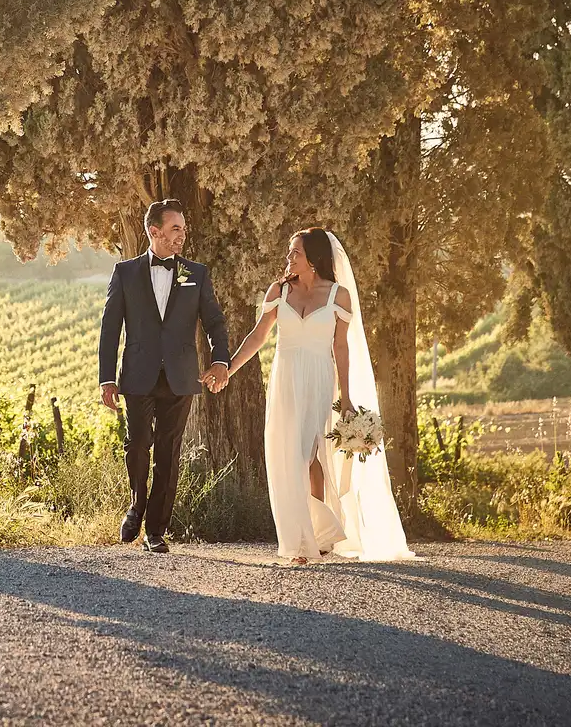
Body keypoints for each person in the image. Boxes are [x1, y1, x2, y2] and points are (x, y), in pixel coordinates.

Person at [221, 228, 413, 563]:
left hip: (320, 380)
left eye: (295, 252)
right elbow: (257, 336)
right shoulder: (279, 291)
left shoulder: (338, 296)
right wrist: (228, 369)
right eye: (289, 252)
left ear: (314, 258)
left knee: (309, 454)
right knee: (292, 456)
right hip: (286, 379)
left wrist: (348, 398)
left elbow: (341, 348)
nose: (289, 258)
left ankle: (310, 541)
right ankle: (313, 535)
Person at [98, 198, 232, 553]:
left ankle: (156, 531)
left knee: (169, 454)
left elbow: (215, 322)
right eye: (175, 229)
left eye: (183, 229)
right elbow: (110, 329)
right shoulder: (124, 273)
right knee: (138, 444)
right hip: (138, 376)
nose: (182, 235)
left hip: (181, 377)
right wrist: (106, 378)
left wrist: (221, 361)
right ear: (153, 231)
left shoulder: (196, 274)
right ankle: (137, 504)